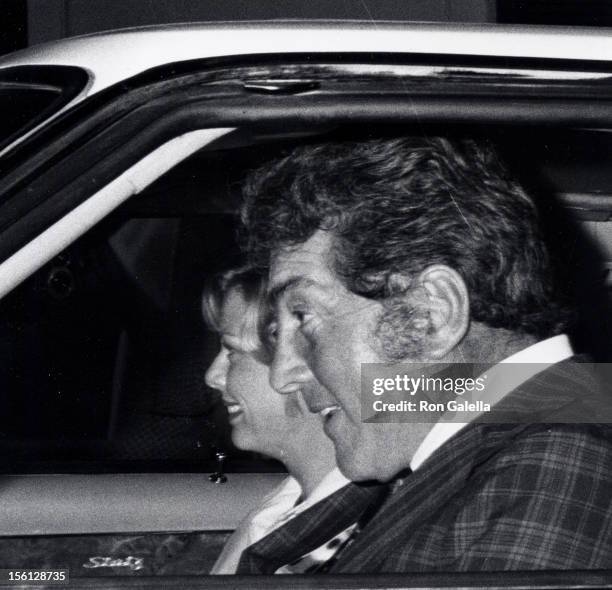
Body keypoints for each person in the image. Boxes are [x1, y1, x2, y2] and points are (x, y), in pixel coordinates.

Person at [240, 136, 612, 572]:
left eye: (303, 316)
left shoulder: (561, 466)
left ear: (430, 314)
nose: (282, 374)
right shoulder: (467, 445)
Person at [203, 266, 384, 574]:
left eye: (232, 352)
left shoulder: (350, 532)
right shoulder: (283, 507)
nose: (212, 377)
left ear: (303, 366)